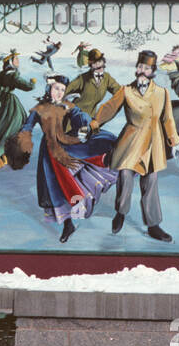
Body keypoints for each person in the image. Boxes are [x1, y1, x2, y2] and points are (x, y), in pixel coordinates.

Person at [7, 75, 117, 243]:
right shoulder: (39, 109)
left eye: (62, 90)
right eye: (56, 88)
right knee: (56, 189)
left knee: (76, 180)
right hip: (49, 154)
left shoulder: (67, 106)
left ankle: (78, 210)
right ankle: (68, 224)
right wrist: (23, 140)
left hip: (69, 146)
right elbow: (28, 126)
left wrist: (83, 125)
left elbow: (81, 118)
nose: (58, 93)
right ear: (49, 89)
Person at [90, 50, 179, 242]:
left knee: (150, 181)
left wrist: (175, 142)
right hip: (130, 141)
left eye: (147, 68)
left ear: (152, 71)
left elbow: (168, 119)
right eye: (140, 66)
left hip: (152, 142)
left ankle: (153, 225)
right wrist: (95, 123)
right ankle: (121, 212)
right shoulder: (126, 91)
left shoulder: (161, 93)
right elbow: (109, 108)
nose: (142, 70)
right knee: (125, 177)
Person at [64, 47, 120, 116]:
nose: (98, 65)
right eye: (95, 63)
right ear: (91, 65)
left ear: (103, 62)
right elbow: (64, 91)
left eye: (99, 62)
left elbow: (119, 91)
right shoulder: (82, 78)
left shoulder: (107, 78)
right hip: (75, 117)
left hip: (91, 118)